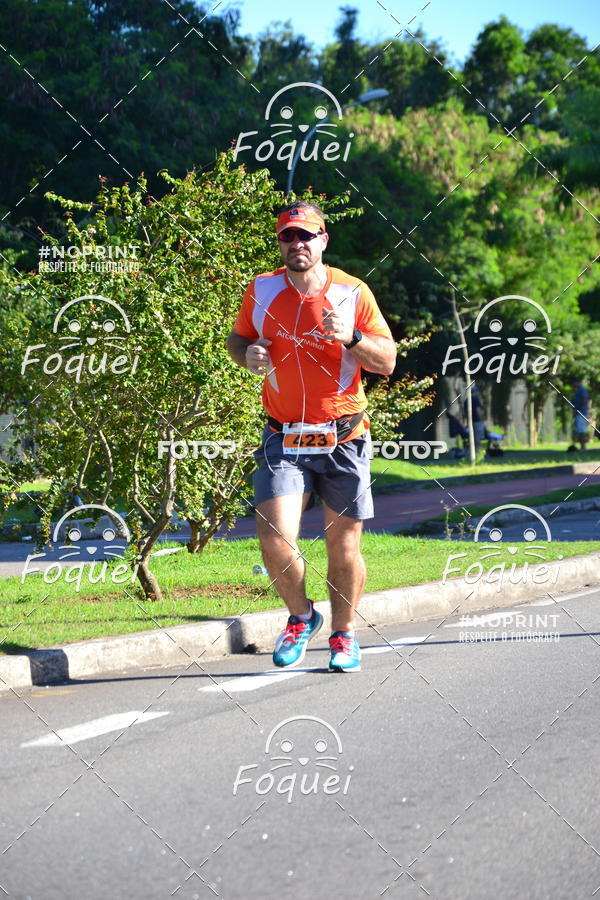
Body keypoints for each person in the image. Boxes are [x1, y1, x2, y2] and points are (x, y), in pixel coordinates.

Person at [227, 201, 396, 672]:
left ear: (324, 239)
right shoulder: (260, 290)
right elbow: (238, 339)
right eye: (288, 237)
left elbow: (387, 361)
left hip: (344, 436)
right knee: (275, 537)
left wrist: (353, 340)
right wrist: (249, 355)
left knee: (343, 546)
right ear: (280, 243)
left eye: (306, 235)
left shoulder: (352, 291)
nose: (297, 244)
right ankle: (302, 617)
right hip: (284, 437)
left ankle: (344, 636)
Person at [463, 383, 486, 450]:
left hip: (470, 421)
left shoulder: (466, 400)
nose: (479, 393)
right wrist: (481, 419)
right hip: (477, 421)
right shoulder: (476, 399)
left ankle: (472, 452)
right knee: (477, 438)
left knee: (472, 437)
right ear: (476, 392)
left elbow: (464, 412)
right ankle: (477, 452)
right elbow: (478, 410)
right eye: (478, 392)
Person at [570, 377, 590, 451]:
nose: (572, 385)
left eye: (573, 383)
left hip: (581, 412)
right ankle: (582, 446)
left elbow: (584, 400)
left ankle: (583, 447)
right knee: (579, 430)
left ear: (576, 382)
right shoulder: (578, 391)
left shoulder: (582, 390)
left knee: (581, 430)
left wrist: (577, 409)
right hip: (579, 413)